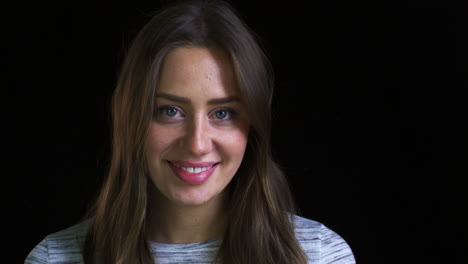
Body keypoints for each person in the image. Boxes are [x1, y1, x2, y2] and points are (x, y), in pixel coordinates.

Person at [25, 0, 355, 263]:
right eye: (170, 111)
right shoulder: (56, 258)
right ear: (130, 119)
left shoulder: (318, 255)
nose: (197, 144)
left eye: (223, 113)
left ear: (253, 126)